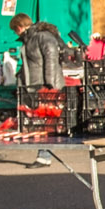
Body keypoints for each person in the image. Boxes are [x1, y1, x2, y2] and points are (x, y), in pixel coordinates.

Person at [19, 18, 66, 167]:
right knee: (42, 121)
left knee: (45, 121)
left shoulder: (41, 36)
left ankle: (44, 156)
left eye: (16, 30)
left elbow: (51, 57)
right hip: (37, 85)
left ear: (19, 27)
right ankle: (44, 154)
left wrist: (49, 84)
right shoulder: (31, 38)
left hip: (45, 85)